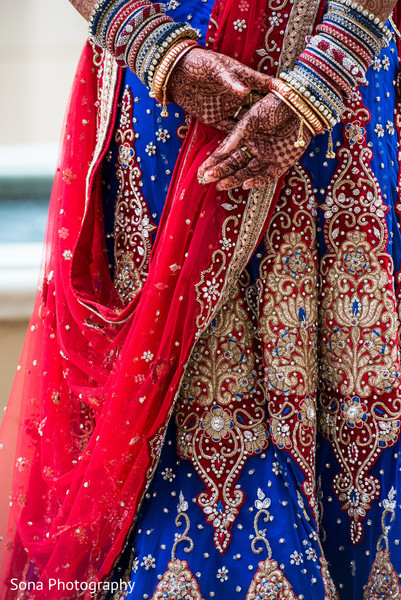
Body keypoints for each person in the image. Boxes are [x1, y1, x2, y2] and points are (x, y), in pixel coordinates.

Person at [0, 0, 401, 598]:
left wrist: (321, 79)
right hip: (166, 111)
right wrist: (162, 52)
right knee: (181, 410)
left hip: (340, 103)